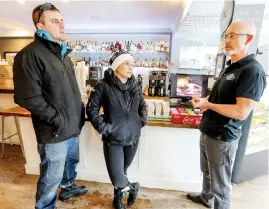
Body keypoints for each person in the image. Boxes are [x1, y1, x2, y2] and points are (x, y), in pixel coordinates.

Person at [12, 3, 88, 209]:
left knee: (70, 164)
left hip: (72, 126)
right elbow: (27, 98)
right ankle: (45, 206)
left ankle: (69, 186)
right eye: (55, 21)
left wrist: (78, 113)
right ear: (40, 26)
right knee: (51, 176)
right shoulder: (29, 55)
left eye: (62, 21)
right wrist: (58, 120)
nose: (62, 25)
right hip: (54, 131)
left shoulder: (62, 54)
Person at [187, 21, 267, 209]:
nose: (227, 40)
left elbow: (241, 112)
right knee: (206, 173)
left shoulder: (252, 71)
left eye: (233, 35)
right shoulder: (229, 66)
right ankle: (206, 198)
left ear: (248, 39)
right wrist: (204, 101)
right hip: (208, 131)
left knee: (220, 187)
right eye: (226, 36)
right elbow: (219, 98)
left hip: (223, 137)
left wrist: (209, 105)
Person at [87, 49, 147, 209]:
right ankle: (133, 188)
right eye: (126, 63)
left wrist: (140, 122)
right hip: (113, 138)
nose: (130, 67)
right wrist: (103, 127)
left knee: (123, 170)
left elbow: (143, 106)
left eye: (132, 64)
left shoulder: (135, 85)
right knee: (118, 177)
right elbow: (92, 109)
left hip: (133, 138)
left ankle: (117, 199)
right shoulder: (103, 85)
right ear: (116, 66)